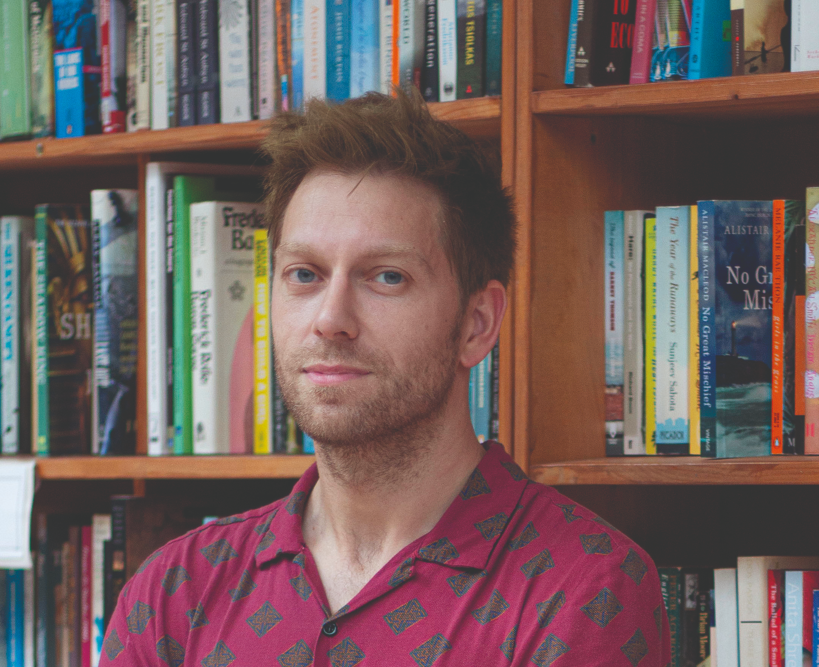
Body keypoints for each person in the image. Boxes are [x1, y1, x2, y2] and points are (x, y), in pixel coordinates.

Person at [99, 91, 669, 666]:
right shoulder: (175, 590)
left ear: (477, 324)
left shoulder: (584, 590)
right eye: (304, 274)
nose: (331, 319)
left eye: (387, 278)